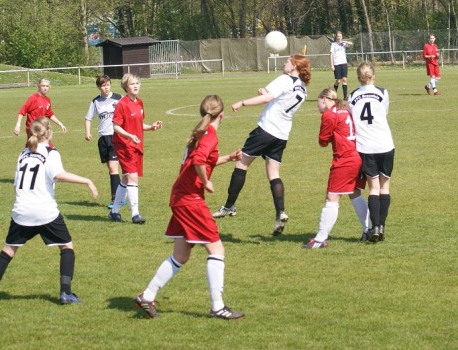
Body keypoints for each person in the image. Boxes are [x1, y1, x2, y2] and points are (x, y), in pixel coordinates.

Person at [135, 95, 245, 321]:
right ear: (222, 114)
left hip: (180, 197)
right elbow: (198, 162)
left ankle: (147, 295)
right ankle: (218, 307)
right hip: (190, 200)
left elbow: (201, 159)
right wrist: (206, 182)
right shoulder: (209, 135)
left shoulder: (200, 133)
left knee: (181, 255)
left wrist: (229, 158)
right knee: (217, 250)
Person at [0, 117, 98, 309]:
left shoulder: (23, 153)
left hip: (21, 211)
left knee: (8, 251)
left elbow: (16, 185)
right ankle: (65, 293)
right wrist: (88, 181)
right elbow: (58, 175)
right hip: (44, 211)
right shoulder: (51, 153)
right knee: (66, 247)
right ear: (48, 132)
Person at [213, 54, 311, 236]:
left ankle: (229, 206)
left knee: (241, 163)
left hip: (266, 129)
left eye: (287, 61)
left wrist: (242, 102)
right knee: (273, 173)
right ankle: (280, 212)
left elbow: (268, 99)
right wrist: (265, 93)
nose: (284, 63)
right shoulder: (303, 89)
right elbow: (277, 99)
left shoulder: (285, 79)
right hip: (281, 135)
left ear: (294, 66)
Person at [303, 88, 370, 249]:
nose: (317, 106)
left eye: (318, 103)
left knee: (332, 197)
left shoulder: (329, 114)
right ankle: (369, 230)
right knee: (354, 193)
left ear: (324, 99)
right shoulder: (344, 110)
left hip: (344, 159)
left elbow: (322, 141)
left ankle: (320, 239)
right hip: (357, 156)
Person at [347, 63, 395, 243]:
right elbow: (384, 112)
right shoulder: (383, 93)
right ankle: (381, 226)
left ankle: (374, 228)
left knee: (373, 188)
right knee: (384, 188)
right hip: (385, 145)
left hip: (366, 147)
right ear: (373, 76)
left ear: (358, 78)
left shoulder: (352, 96)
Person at [108, 73, 163, 224]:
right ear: (126, 87)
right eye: (132, 84)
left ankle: (114, 212)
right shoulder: (122, 104)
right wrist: (129, 136)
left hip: (136, 145)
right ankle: (135, 214)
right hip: (124, 145)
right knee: (133, 177)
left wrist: (151, 127)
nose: (136, 86)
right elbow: (116, 126)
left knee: (126, 178)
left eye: (137, 83)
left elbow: (138, 124)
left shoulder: (139, 103)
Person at [84, 75, 126, 210]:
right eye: (103, 86)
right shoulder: (95, 101)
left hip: (115, 136)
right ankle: (121, 195)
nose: (106, 88)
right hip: (103, 138)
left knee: (113, 168)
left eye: (108, 85)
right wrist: (87, 132)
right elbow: (88, 118)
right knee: (111, 169)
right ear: (99, 87)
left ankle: (116, 199)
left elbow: (127, 113)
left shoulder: (119, 98)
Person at [330, 31, 353, 101]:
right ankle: (333, 95)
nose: (339, 37)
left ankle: (345, 96)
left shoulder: (344, 44)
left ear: (341, 37)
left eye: (340, 36)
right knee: (338, 81)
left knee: (344, 79)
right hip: (337, 64)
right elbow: (331, 55)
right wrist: (332, 65)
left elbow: (351, 43)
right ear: (336, 37)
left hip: (344, 63)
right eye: (338, 36)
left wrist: (344, 41)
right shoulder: (333, 44)